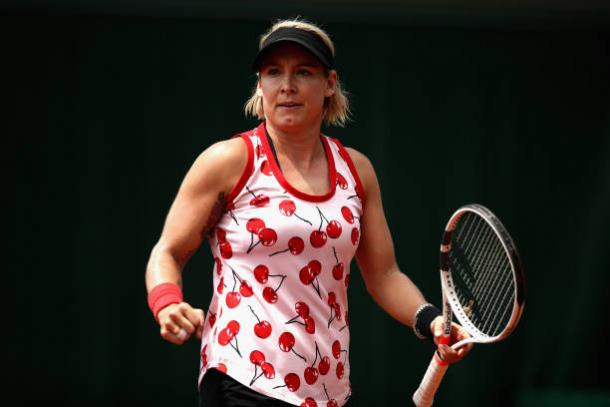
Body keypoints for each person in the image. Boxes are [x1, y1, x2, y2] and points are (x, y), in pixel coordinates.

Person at [145, 18, 472, 407]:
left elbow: (384, 274)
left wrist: (431, 319)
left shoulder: (357, 170)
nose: (287, 85)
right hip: (241, 379)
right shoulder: (228, 161)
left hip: (329, 389)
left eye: (303, 71)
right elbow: (166, 252)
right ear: (260, 85)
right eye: (273, 72)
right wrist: (167, 303)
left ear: (329, 83)